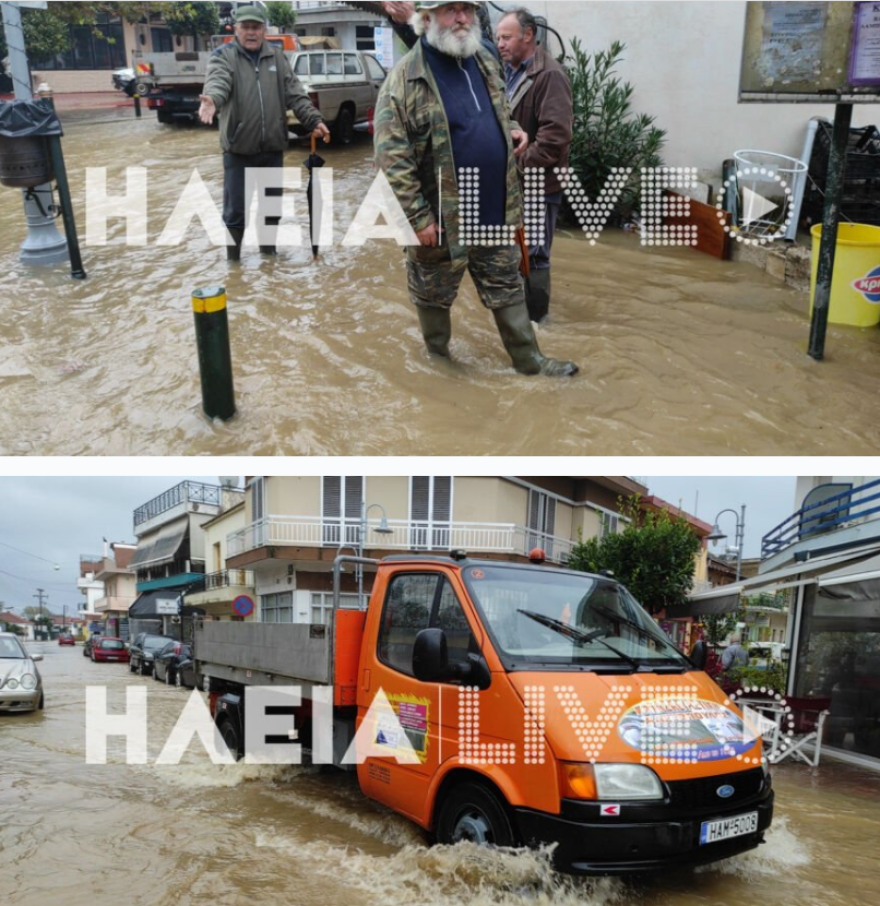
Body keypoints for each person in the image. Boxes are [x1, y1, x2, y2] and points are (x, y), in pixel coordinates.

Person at [373, 0, 578, 378]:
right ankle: (440, 367)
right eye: (451, 10)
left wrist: (512, 127)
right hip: (439, 221)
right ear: (426, 18)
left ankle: (530, 361)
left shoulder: (483, 60)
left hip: (493, 209)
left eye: (467, 8)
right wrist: (418, 217)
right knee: (432, 295)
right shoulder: (402, 81)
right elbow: (391, 158)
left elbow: (495, 108)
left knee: (507, 285)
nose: (462, 18)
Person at [198, 6, 330, 261]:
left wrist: (313, 119)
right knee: (236, 212)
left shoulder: (277, 58)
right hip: (238, 149)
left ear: (264, 30)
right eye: (245, 27)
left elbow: (295, 93)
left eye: (256, 27)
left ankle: (269, 260)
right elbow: (218, 81)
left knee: (271, 210)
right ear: (236, 29)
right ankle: (233, 264)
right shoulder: (223, 56)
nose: (251, 32)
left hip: (272, 148)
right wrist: (212, 99)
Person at [496, 7, 573, 323]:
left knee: (535, 255)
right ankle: (519, 319)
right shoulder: (507, 72)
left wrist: (515, 166)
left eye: (506, 37)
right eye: (498, 38)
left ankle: (537, 324)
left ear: (528, 35)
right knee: (514, 253)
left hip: (538, 186)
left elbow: (555, 139)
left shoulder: (550, 75)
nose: (500, 44)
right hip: (515, 186)